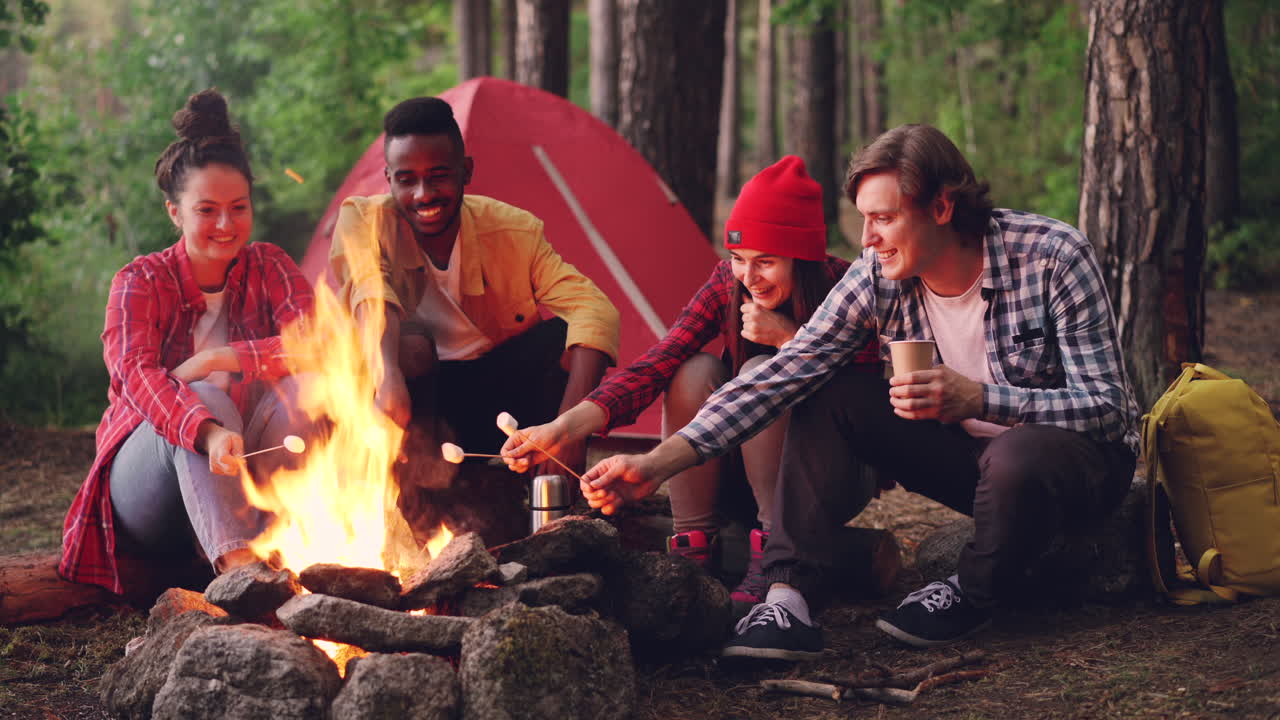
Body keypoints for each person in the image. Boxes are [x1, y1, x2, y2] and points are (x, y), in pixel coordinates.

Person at [579, 124, 1141, 660]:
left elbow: (1108, 409)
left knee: (1017, 451)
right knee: (830, 387)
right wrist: (656, 463)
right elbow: (783, 374)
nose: (867, 238)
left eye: (884, 218)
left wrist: (980, 399)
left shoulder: (1052, 255)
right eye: (864, 220)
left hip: (1070, 468)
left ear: (942, 208)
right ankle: (788, 597)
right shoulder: (879, 273)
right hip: (971, 467)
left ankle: (971, 591)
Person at [501, 156, 879, 607]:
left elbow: (866, 400)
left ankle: (776, 556)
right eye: (739, 258)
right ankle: (693, 549)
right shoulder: (728, 284)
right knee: (692, 370)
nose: (750, 277)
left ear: (804, 256)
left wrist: (789, 339)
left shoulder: (845, 287)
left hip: (827, 481)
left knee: (759, 373)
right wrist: (561, 429)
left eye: (766, 262)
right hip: (738, 477)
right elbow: (656, 364)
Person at [59, 89, 316, 595]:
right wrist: (206, 431)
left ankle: (307, 536)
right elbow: (137, 379)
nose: (225, 224)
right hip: (152, 494)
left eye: (238, 207)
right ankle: (241, 578)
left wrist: (227, 356)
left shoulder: (270, 266)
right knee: (206, 397)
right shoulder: (140, 281)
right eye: (207, 210)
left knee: (314, 386)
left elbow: (315, 345)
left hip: (251, 475)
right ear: (174, 212)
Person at [328, 96, 619, 534]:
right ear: (388, 180)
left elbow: (595, 309)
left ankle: (522, 475)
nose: (423, 195)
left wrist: (570, 428)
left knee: (562, 337)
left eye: (438, 177)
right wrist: (386, 373)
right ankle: (415, 497)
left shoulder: (514, 230)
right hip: (413, 411)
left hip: (497, 405)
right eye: (406, 180)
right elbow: (371, 292)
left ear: (466, 170)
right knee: (410, 347)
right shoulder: (364, 221)